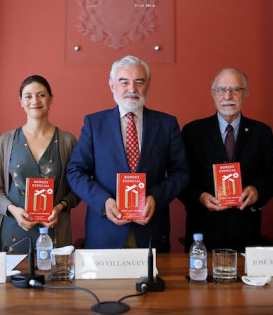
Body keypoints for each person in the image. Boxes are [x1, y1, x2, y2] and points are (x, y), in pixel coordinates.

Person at [67, 55, 190, 252]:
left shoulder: (167, 124)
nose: (132, 89)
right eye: (124, 82)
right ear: (112, 86)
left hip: (151, 231)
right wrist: (104, 201)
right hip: (104, 233)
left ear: (148, 85)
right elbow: (75, 172)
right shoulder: (94, 123)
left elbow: (181, 173)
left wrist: (155, 198)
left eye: (139, 82)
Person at [179, 68, 273, 252]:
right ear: (213, 94)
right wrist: (199, 197)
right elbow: (181, 177)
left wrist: (257, 190)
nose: (228, 96)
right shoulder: (192, 132)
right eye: (221, 90)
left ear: (246, 94)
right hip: (203, 230)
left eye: (235, 89)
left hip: (245, 230)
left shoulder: (261, 132)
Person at [0, 75, 80, 252]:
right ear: (21, 101)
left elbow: (76, 189)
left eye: (41, 95)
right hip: (14, 231)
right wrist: (13, 210)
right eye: (28, 96)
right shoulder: (7, 140)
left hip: (55, 232)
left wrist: (60, 207)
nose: (35, 100)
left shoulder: (67, 141)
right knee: (14, 280)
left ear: (51, 98)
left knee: (55, 279)